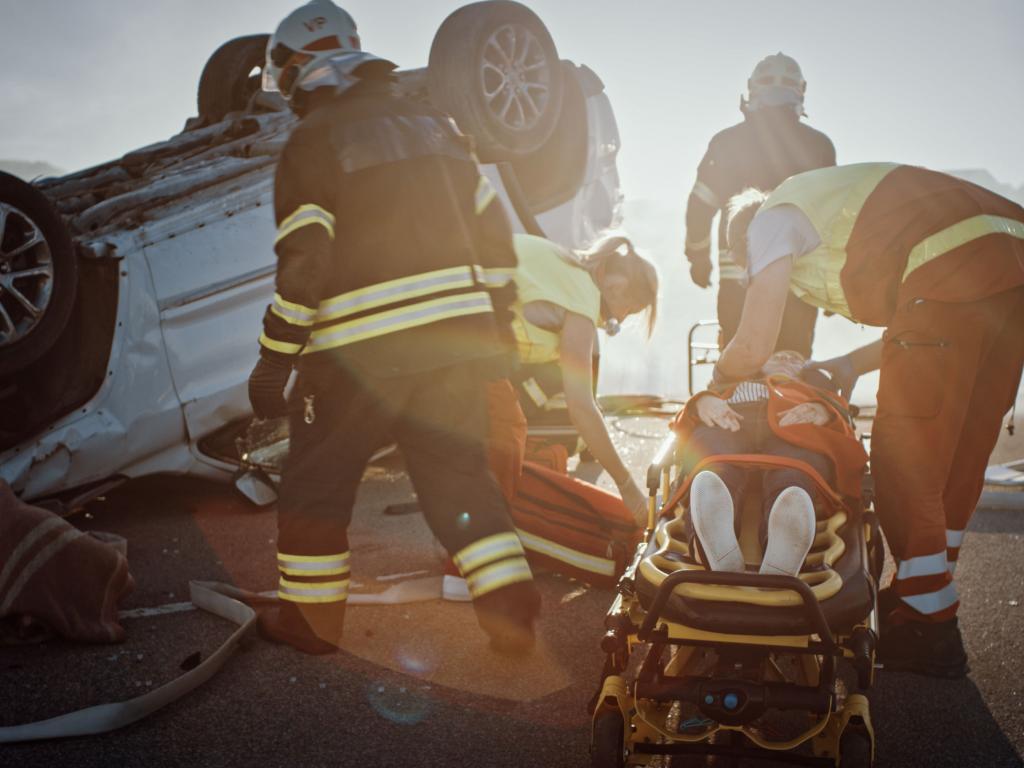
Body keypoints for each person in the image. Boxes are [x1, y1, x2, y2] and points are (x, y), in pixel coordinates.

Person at [247, 0, 539, 655]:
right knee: (460, 478)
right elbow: (496, 242)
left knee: (317, 484)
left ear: (298, 67)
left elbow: (306, 259)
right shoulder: (438, 127)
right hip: (452, 350)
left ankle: (312, 623)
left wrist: (275, 357)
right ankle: (510, 608)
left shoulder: (313, 139)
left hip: (356, 356)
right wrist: (496, 332)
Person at [718, 162, 1024, 677]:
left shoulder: (770, 218)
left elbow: (753, 342)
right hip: (1012, 271)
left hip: (951, 271)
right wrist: (847, 365)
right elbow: (929, 312)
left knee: (906, 455)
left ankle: (930, 627)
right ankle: (922, 595)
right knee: (959, 458)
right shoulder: (841, 211)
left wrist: (720, 378)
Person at [683, 52, 835, 357]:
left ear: (752, 90)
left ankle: (736, 403)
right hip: (800, 278)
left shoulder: (727, 143)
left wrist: (698, 258)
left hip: (740, 277)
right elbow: (831, 218)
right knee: (790, 365)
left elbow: (700, 206)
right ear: (800, 90)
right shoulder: (819, 146)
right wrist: (831, 280)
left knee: (740, 359)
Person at [505, 232, 659, 524]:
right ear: (616, 286)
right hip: (452, 340)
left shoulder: (566, 266)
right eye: (630, 310)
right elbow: (583, 409)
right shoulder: (582, 300)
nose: (621, 321)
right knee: (505, 437)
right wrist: (627, 487)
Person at [673, 351, 867, 577]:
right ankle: (708, 542)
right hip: (731, 417)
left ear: (805, 370)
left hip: (794, 426)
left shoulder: (815, 392)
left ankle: (784, 546)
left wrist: (824, 411)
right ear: (760, 364)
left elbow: (842, 415)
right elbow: (685, 419)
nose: (785, 360)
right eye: (778, 356)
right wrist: (702, 402)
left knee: (794, 470)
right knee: (713, 465)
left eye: (795, 359)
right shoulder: (734, 384)